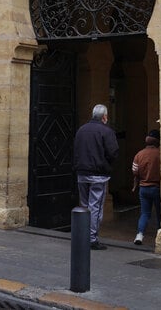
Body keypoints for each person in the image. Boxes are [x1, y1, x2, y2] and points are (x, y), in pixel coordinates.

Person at [73, 103, 119, 250]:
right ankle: (91, 239)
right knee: (95, 207)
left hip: (82, 173)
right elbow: (113, 152)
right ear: (104, 117)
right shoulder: (106, 131)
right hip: (98, 174)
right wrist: (106, 164)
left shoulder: (81, 130)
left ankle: (82, 235)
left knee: (84, 205)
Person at [131, 129, 161, 245]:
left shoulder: (139, 154)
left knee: (144, 213)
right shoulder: (160, 154)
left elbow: (135, 171)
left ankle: (139, 235)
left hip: (143, 188)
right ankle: (159, 236)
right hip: (157, 187)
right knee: (160, 213)